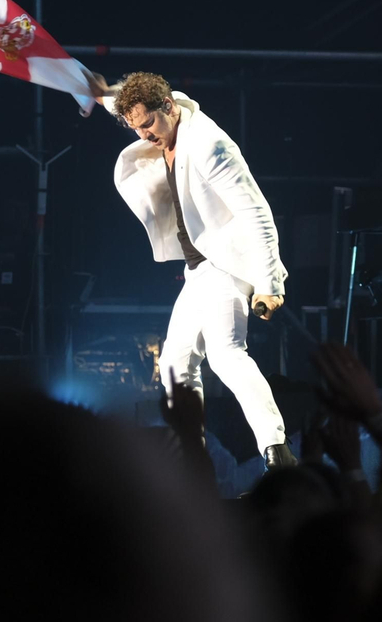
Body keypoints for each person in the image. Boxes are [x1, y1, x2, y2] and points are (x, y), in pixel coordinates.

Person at [99, 72, 297, 469]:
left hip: (227, 264)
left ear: (168, 107)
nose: (144, 136)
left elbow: (256, 212)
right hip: (199, 269)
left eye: (148, 124)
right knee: (175, 362)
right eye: (136, 128)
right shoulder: (160, 115)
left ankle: (277, 452)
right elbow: (132, 103)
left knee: (225, 353)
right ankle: (191, 461)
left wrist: (270, 283)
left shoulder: (209, 145)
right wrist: (99, 91)